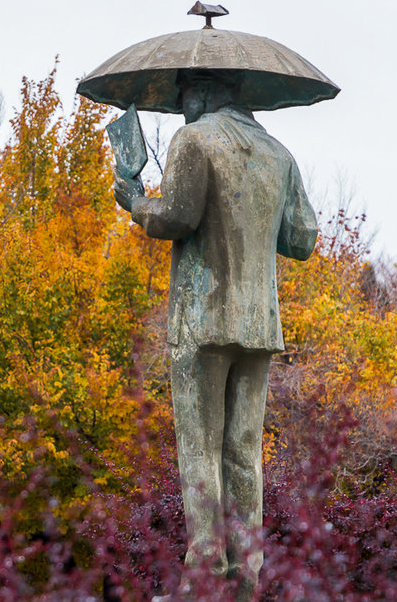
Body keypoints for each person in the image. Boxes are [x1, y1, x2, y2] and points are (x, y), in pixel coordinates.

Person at [116, 69, 318, 600]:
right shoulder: (279, 153)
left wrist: (135, 201)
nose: (182, 103)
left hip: (202, 320)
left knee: (200, 448)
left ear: (203, 90)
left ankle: (205, 573)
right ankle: (247, 574)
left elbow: (177, 216)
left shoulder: (194, 139)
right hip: (259, 325)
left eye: (184, 93)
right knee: (244, 451)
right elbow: (302, 238)